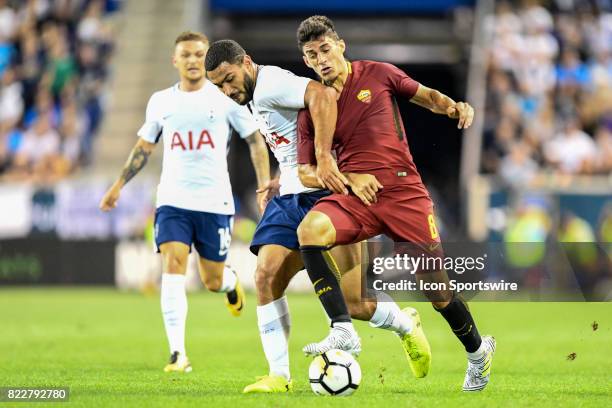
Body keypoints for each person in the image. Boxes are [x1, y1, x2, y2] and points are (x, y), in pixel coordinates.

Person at [205, 39, 430, 393]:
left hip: (329, 193)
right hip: (292, 198)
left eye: (229, 79)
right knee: (265, 276)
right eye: (218, 86)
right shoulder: (250, 96)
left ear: (246, 62)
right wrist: (284, 175)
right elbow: (292, 142)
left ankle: (405, 324)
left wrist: (324, 160)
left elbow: (321, 97)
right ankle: (279, 375)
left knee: (355, 304)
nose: (226, 90)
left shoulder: (273, 82)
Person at [295, 15, 495, 392]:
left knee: (437, 293)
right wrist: (349, 179)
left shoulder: (377, 73)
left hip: (404, 195)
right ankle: (341, 330)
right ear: (306, 62)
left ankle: (477, 353)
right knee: (310, 230)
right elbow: (306, 171)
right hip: (356, 196)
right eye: (311, 54)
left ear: (341, 46)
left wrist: (455, 107)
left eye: (325, 49)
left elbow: (427, 97)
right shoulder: (311, 105)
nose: (321, 59)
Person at [99, 31, 270, 373]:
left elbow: (255, 140)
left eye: (198, 55)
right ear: (175, 61)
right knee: (173, 266)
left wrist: (264, 184)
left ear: (206, 60)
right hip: (173, 200)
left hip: (214, 203)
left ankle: (229, 282)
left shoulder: (224, 100)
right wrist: (118, 184)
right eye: (186, 55)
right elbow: (144, 147)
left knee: (211, 281)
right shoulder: (161, 101)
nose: (192, 60)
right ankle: (178, 353)